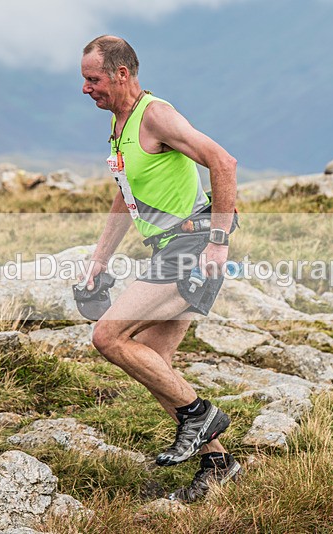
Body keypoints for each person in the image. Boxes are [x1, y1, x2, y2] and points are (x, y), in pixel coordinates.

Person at [80, 35, 240, 502]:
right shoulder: (120, 124)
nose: (87, 89)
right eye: (85, 80)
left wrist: (218, 241)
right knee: (154, 360)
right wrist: (99, 260)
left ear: (121, 74)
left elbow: (222, 161)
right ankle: (218, 463)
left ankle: (199, 413)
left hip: (190, 246)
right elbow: (125, 196)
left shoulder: (155, 115)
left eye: (93, 80)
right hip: (169, 248)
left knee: (108, 337)